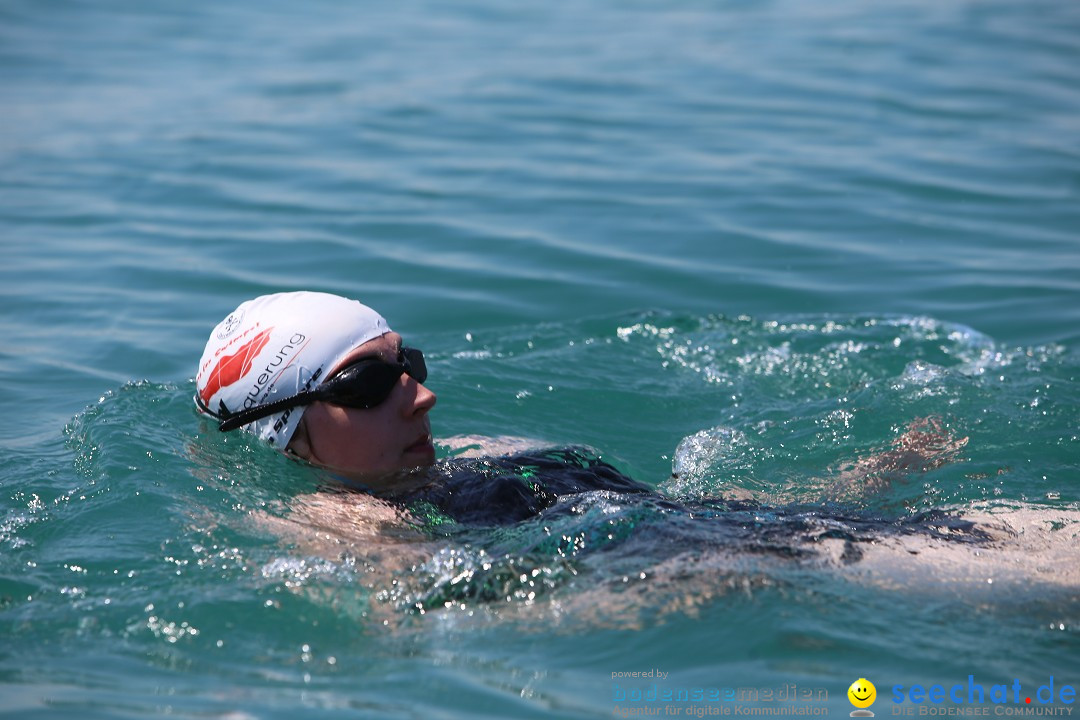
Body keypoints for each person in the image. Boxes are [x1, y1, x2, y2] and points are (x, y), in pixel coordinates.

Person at [195, 291, 439, 485]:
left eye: (407, 363)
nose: (425, 397)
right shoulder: (341, 542)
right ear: (292, 441)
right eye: (370, 382)